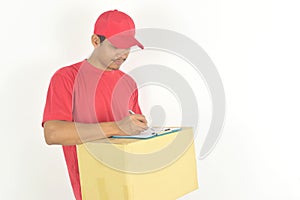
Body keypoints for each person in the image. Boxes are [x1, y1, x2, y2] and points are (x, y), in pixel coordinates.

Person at [42, 9, 148, 200]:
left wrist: (140, 128)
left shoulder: (128, 83)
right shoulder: (67, 78)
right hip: (94, 190)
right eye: (116, 46)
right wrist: (118, 127)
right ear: (95, 41)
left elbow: (133, 136)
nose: (123, 54)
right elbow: (53, 133)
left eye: (128, 47)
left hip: (135, 187)